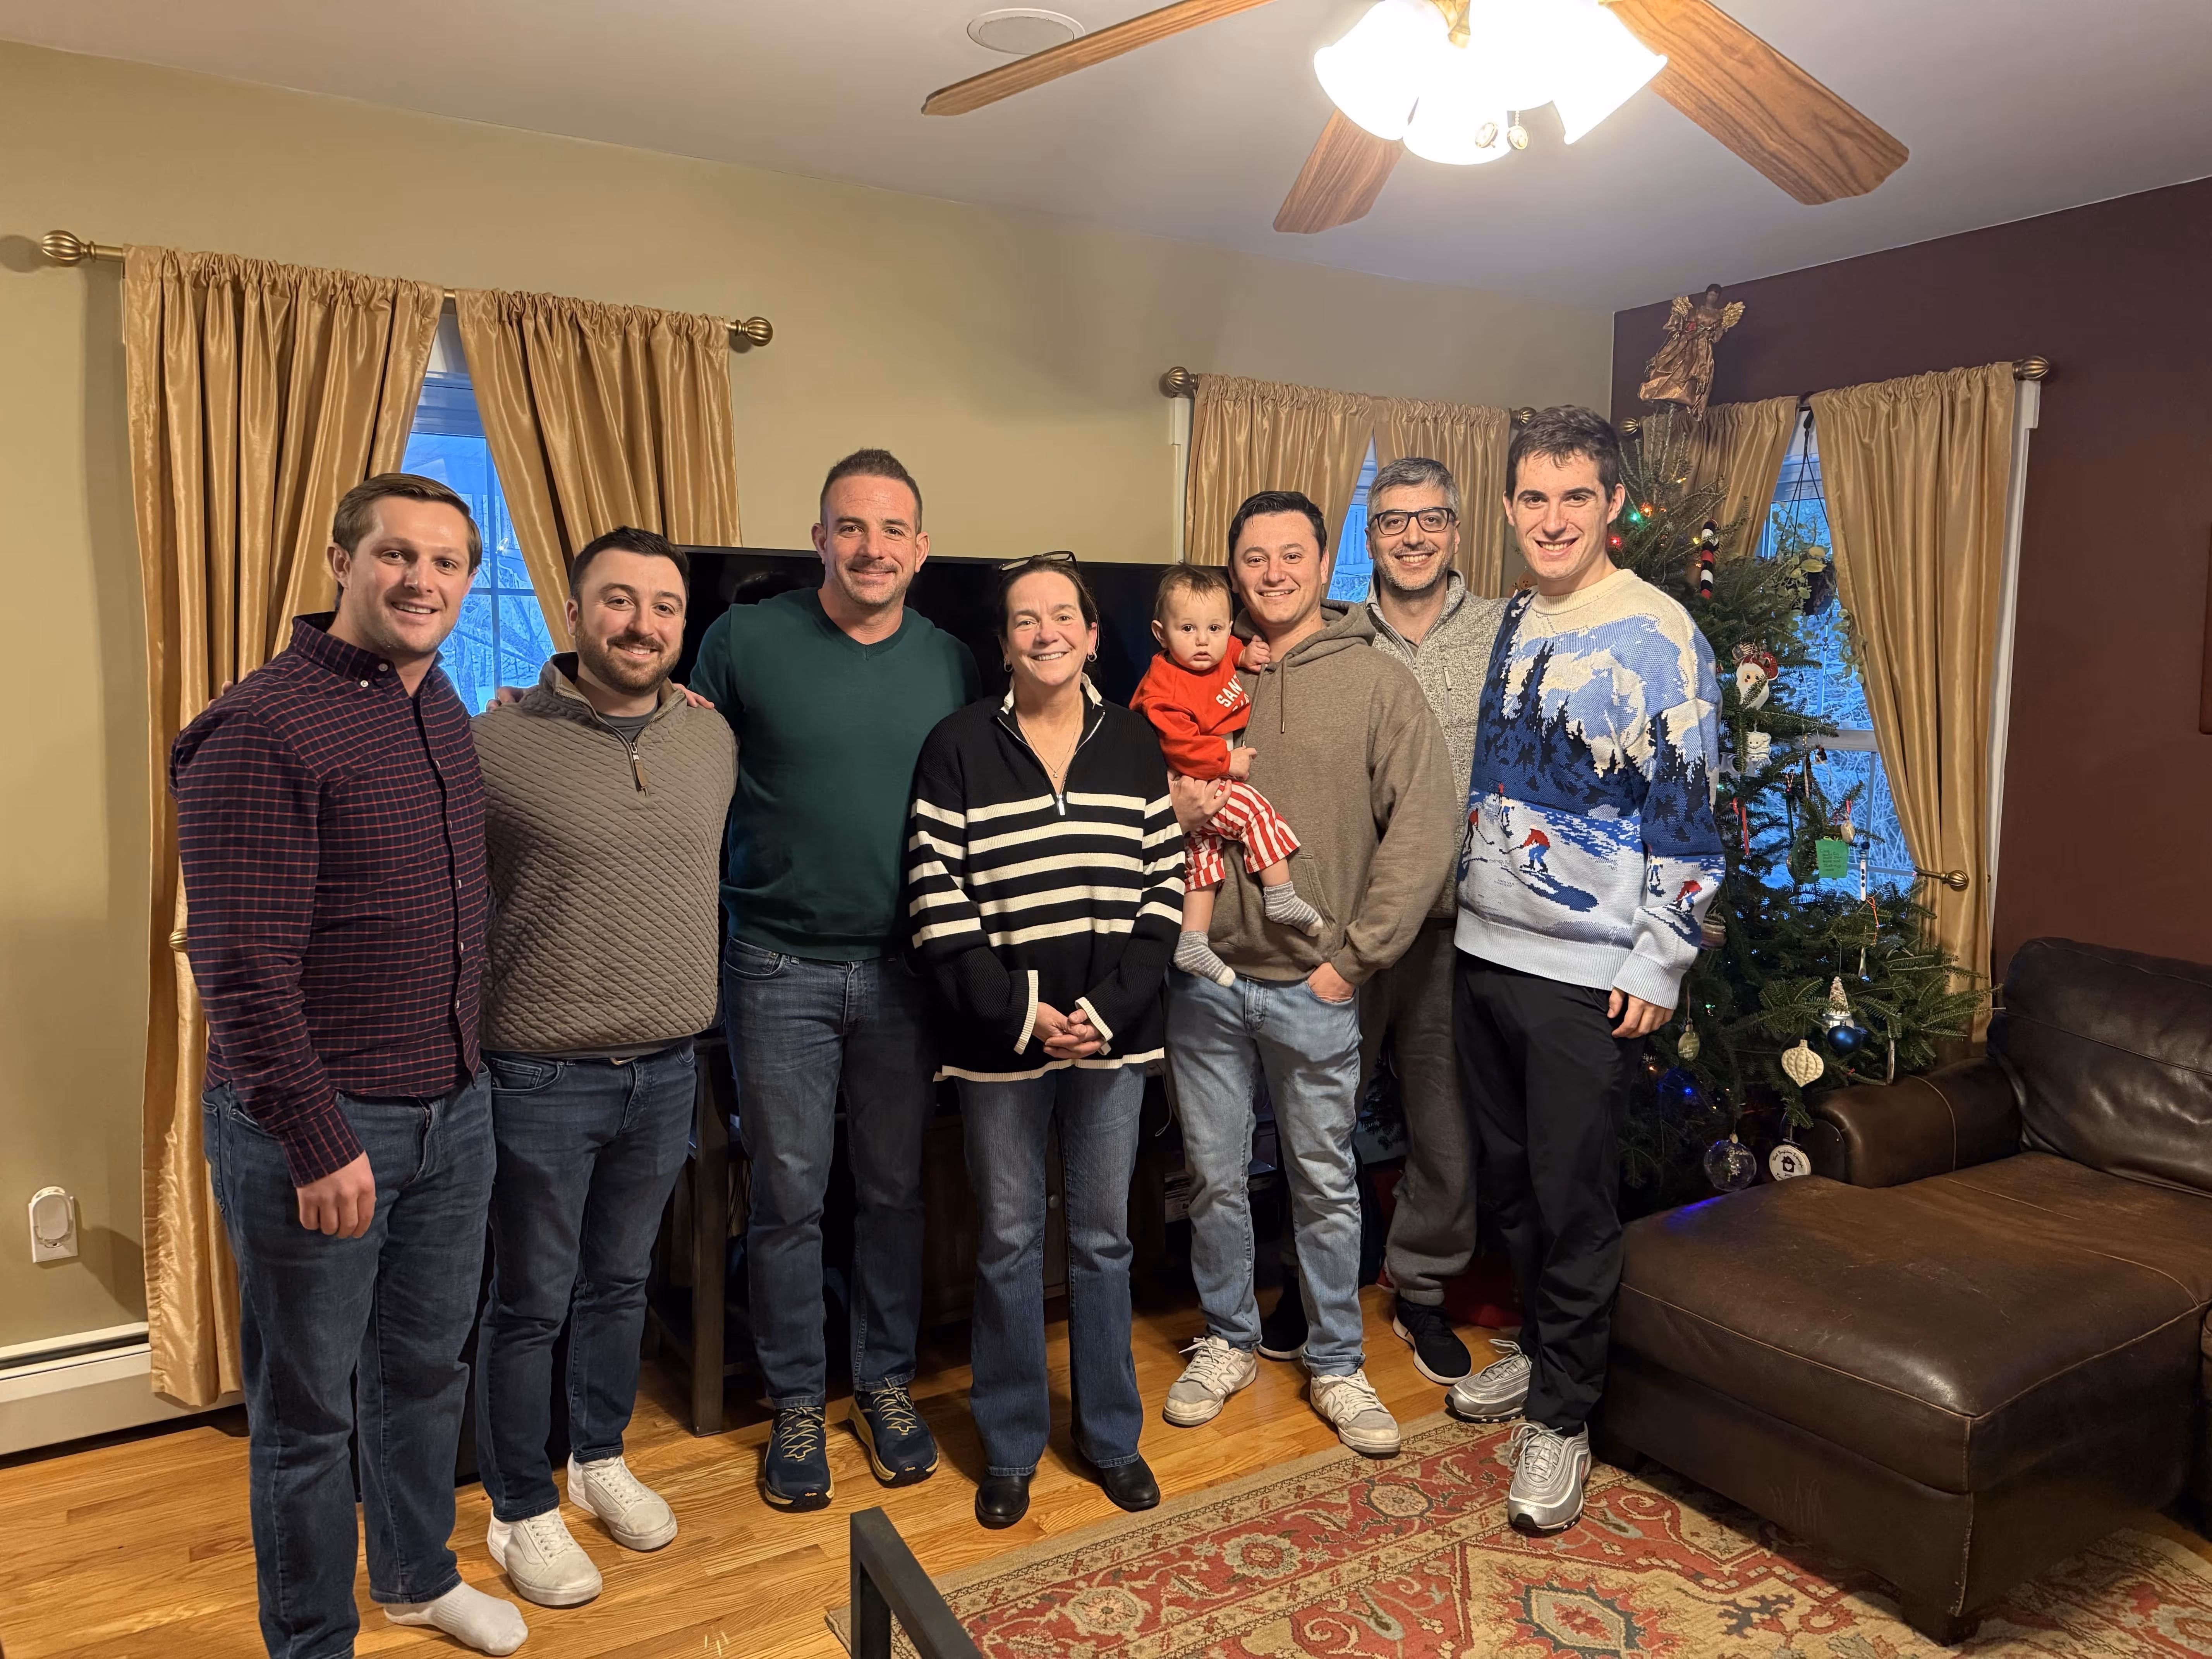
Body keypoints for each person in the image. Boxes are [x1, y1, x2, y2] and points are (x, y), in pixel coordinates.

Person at [173, 474, 526, 1658]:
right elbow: (238, 966)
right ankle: (313, 1640)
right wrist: (319, 1141)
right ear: (340, 562)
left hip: (454, 1109)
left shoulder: (439, 709)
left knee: (426, 1374)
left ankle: (418, 1577)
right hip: (321, 1129)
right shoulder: (261, 728)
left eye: (446, 561)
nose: (421, 579)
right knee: (310, 1416)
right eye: (396, 555)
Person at [1447, 406, 1724, 1534]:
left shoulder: (1661, 634)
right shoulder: (1514, 618)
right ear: (1509, 507)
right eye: (1531, 498)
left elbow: (1690, 812)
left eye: (1573, 497)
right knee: (1509, 1186)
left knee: (1570, 1200)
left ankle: (1560, 1422)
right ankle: (1536, 1353)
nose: (1550, 519)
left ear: (1610, 504)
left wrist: (1660, 957)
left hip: (1585, 974)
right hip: (1481, 948)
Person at [689, 449, 980, 1510]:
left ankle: (887, 1386)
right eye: (850, 527)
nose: (872, 547)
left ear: (920, 547)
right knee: (789, 1199)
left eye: (892, 528)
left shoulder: (952, 661)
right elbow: (682, 771)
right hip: (776, 968)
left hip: (909, 971)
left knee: (897, 1192)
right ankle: (798, 1404)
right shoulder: (745, 641)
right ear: (820, 538)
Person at [470, 528, 735, 1606]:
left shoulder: (708, 737)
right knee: (530, 1299)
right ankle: (518, 1507)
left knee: (621, 1282)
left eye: (664, 605)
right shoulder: (491, 743)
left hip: (668, 1066)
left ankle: (600, 1455)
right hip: (538, 1076)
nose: (642, 623)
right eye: (617, 601)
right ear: (572, 613)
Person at [1161, 490, 1455, 1457]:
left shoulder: (1375, 683)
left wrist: (1351, 961)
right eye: (1255, 557)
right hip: (1205, 978)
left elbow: (1421, 831)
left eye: (1293, 555)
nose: (1274, 572)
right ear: (1234, 568)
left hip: (1313, 983)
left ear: (1325, 566)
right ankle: (1229, 1340)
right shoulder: (1195, 669)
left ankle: (1336, 1362)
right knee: (1212, 1176)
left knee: (1324, 1182)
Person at [905, 554, 1182, 1530]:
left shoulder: (1136, 745)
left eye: (1063, 615)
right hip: (998, 1050)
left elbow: (1164, 893)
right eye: (1026, 619)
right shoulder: (956, 746)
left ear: (1093, 634)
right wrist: (1022, 1014)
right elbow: (936, 899)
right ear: (1005, 641)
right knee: (1010, 1243)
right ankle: (1011, 1445)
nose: (1046, 632)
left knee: (1105, 1244)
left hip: (1116, 1043)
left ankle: (1112, 1438)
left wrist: (1103, 1012)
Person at [1258, 457, 1507, 1386]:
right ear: (1368, 541)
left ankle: (1424, 1289)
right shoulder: (1325, 638)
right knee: (1313, 1116)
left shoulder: (1500, 634)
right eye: (1394, 521)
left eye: (1430, 519)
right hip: (1340, 929)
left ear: (1454, 529)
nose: (1413, 536)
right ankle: (1302, 1283)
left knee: (1444, 1120)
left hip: (1457, 923)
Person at [1131, 565, 1323, 987]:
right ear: (1162, 635)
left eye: (1215, 628)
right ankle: (1280, 896)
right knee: (1255, 810)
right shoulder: (1164, 686)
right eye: (1188, 629)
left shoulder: (1214, 653)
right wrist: (1224, 760)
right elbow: (1177, 744)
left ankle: (1192, 939)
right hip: (1194, 778)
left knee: (1203, 855)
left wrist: (1242, 654)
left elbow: (1228, 647)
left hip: (1202, 780)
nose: (1204, 641)